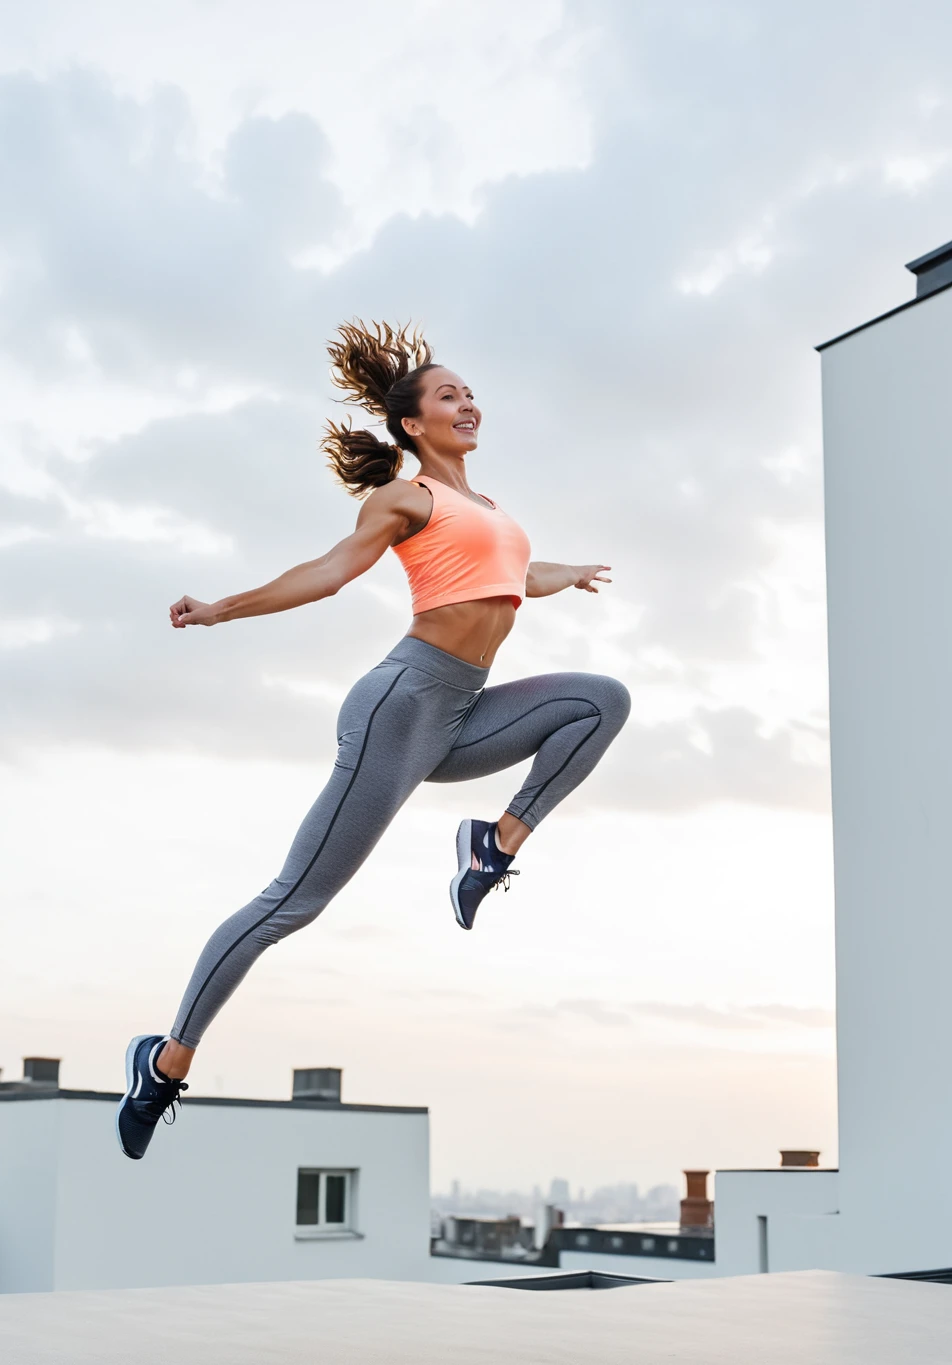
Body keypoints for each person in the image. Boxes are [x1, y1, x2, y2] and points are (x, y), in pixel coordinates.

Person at [116, 321, 631, 1159]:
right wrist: (220, 608)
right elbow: (324, 573)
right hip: (404, 707)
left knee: (599, 701)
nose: (467, 403)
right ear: (411, 426)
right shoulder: (406, 498)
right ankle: (166, 1061)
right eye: (448, 395)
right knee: (294, 902)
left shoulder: (488, 510)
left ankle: (491, 847)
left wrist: (561, 573)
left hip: (462, 714)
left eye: (469, 392)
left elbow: (508, 579)